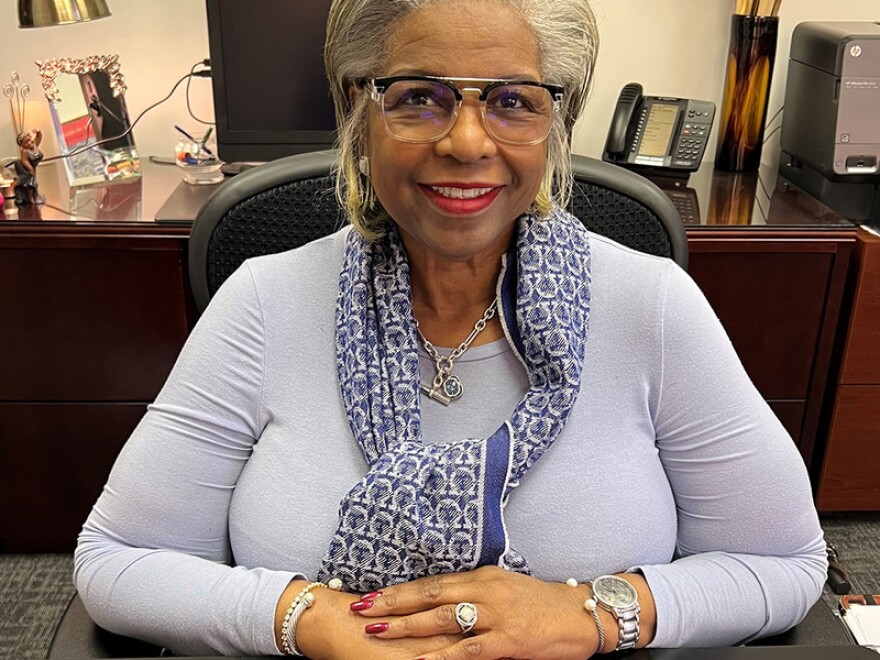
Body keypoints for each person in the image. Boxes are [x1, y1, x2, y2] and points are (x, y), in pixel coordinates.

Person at [73, 0, 828, 657]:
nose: (467, 141)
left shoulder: (651, 306)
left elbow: (783, 562)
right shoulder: (265, 302)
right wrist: (307, 618)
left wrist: (591, 613)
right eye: (418, 97)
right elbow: (119, 561)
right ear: (356, 108)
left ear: (554, 121)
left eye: (513, 101)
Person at [13, 129, 44, 206]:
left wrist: (38, 132)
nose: (30, 143)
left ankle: (35, 196)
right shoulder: (25, 151)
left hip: (34, 166)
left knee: (34, 181)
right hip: (26, 170)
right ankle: (31, 198)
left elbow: (38, 138)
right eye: (26, 142)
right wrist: (30, 168)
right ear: (22, 144)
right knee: (30, 182)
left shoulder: (33, 146)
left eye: (30, 140)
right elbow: (24, 160)